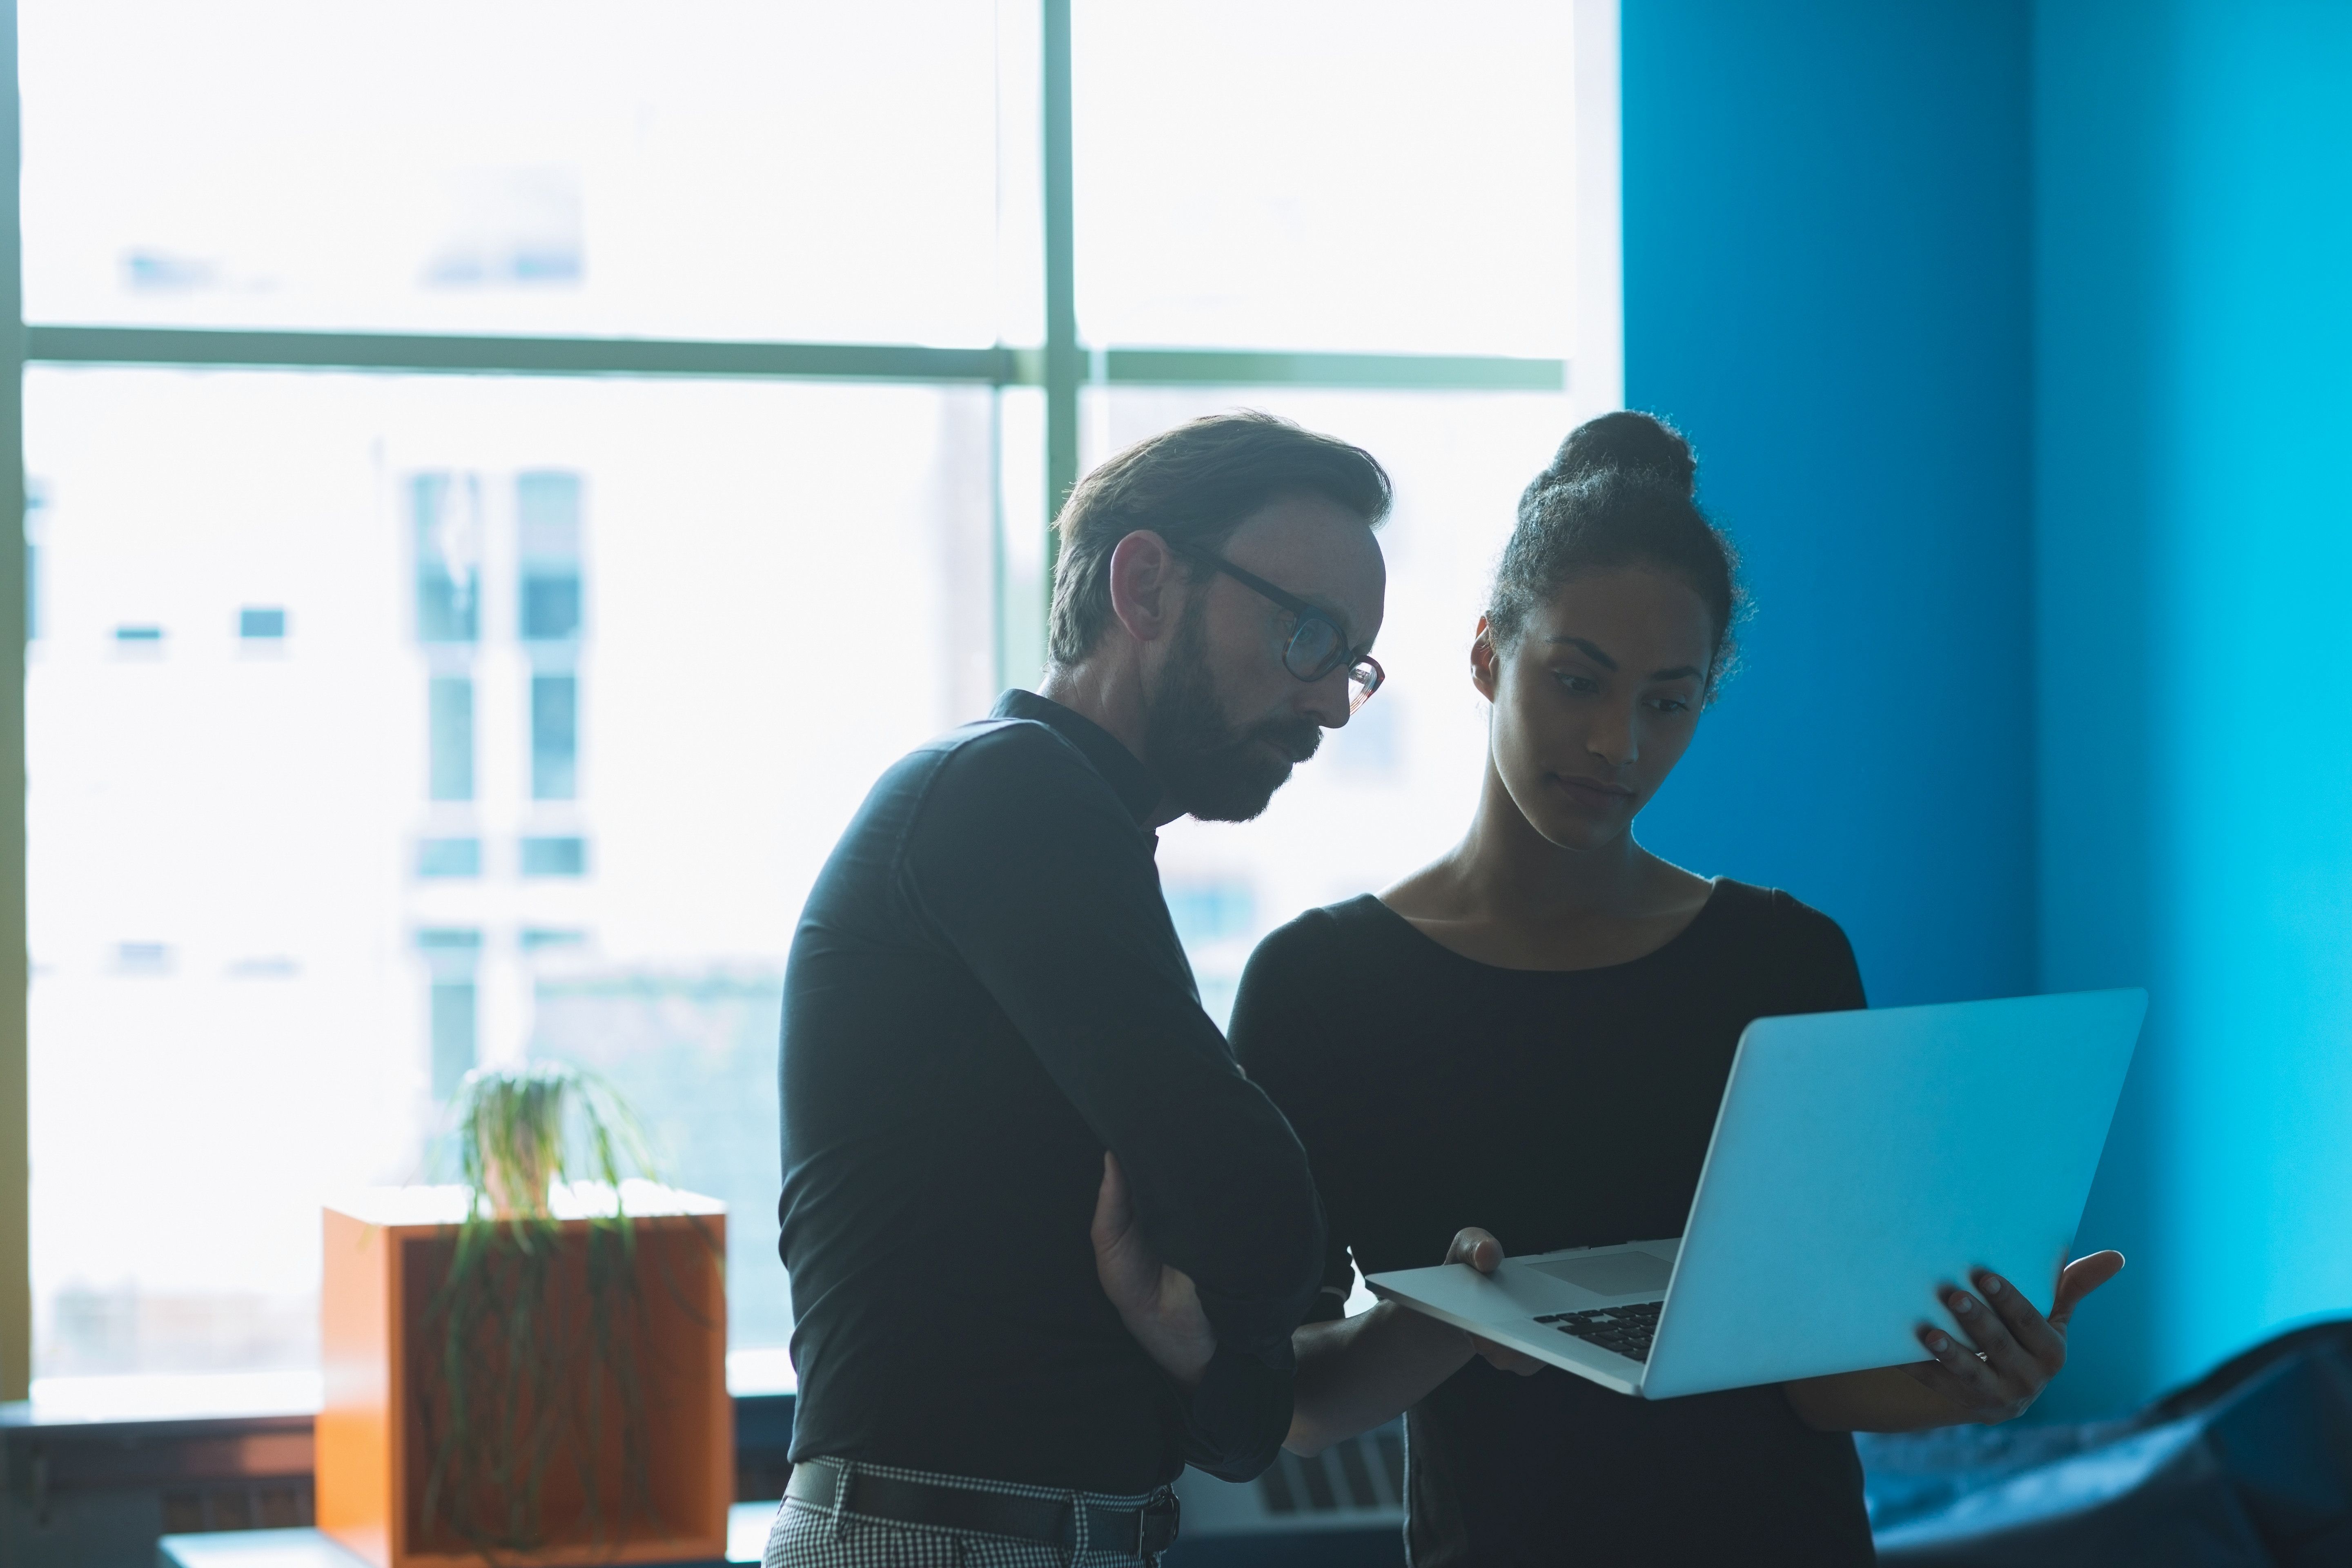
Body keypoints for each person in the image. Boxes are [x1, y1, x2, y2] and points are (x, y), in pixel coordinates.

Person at [1221, 413, 2124, 1564]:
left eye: (1667, 700)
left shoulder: (1785, 960)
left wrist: (1981, 1382)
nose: (1617, 745)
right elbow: (1291, 1400)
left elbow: (1819, 1384)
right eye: (1577, 681)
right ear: (1489, 652)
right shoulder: (1320, 987)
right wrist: (1449, 1318)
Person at [769, 412, 1393, 1568]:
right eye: (1307, 635)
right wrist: (1243, 1294)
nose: (1330, 705)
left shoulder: (1069, 827)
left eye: (1351, 661)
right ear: (1145, 584)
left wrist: (1221, 1343)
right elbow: (1259, 1211)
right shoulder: (1005, 792)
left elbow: (1246, 1417)